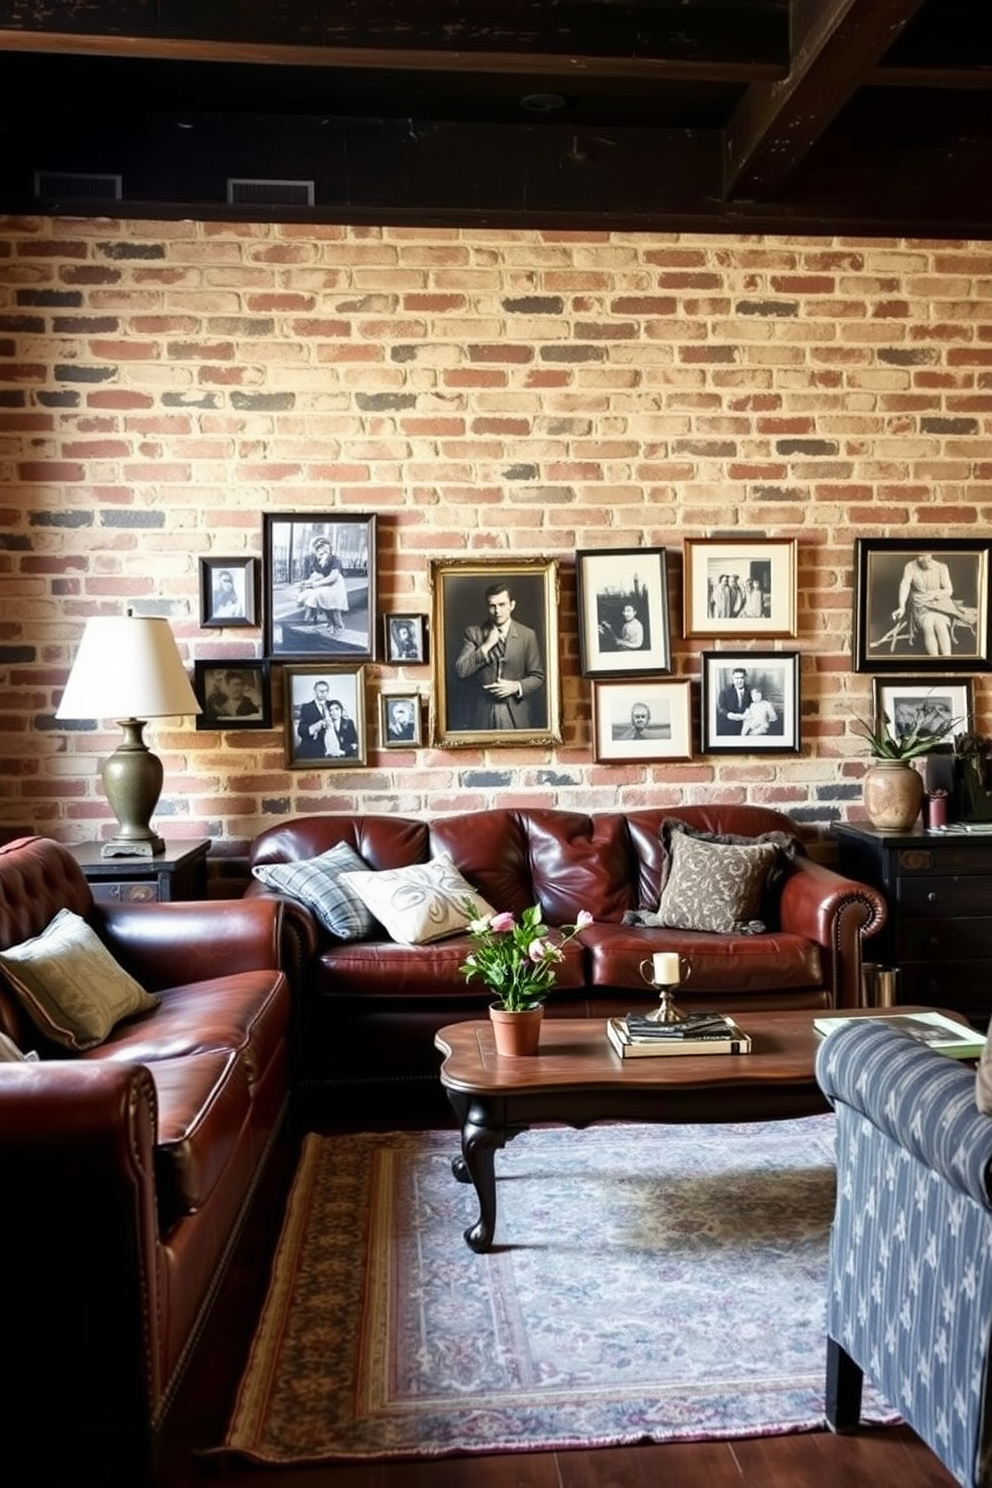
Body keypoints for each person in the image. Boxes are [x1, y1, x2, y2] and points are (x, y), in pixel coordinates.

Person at [453, 582, 545, 730]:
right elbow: (461, 670)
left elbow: (538, 676)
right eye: (492, 606)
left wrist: (516, 686)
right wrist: (487, 645)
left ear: (512, 605)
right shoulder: (473, 633)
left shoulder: (527, 635)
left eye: (502, 604)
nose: (497, 611)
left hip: (516, 713)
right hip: (482, 713)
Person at [890, 552, 975, 657]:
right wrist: (901, 606)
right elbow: (905, 585)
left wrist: (932, 594)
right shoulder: (910, 567)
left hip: (940, 603)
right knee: (928, 625)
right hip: (921, 604)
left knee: (940, 625)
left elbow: (949, 590)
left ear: (931, 554)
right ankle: (935, 661)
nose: (924, 559)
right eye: (920, 556)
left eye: (926, 556)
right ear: (916, 556)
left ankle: (947, 662)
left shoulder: (941, 567)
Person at [297, 535, 349, 631]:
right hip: (325, 584)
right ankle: (330, 624)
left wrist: (315, 584)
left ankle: (338, 626)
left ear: (329, 548)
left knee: (334, 609)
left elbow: (333, 577)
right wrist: (306, 583)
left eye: (324, 547)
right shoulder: (317, 561)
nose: (322, 550)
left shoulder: (334, 559)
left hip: (335, 585)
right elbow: (318, 575)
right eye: (319, 548)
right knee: (322, 601)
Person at [296, 679, 338, 758]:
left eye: (326, 691)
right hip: (313, 750)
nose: (324, 693)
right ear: (314, 692)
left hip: (332, 748)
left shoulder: (333, 705)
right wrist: (314, 727)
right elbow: (301, 731)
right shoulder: (307, 707)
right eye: (321, 691)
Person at [715, 666, 750, 735]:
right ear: (733, 679)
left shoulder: (751, 690)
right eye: (736, 678)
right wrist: (729, 715)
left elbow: (754, 704)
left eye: (742, 678)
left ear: (746, 678)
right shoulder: (725, 691)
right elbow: (720, 707)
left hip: (746, 722)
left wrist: (748, 711)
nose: (739, 680)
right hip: (729, 722)